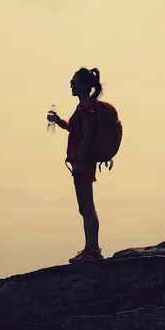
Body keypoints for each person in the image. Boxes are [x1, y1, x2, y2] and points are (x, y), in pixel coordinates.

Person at [47, 67, 104, 263]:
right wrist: (59, 121)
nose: (71, 85)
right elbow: (77, 130)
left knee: (87, 206)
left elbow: (87, 136)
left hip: (83, 162)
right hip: (81, 161)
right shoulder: (83, 107)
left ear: (84, 85)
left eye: (74, 82)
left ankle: (93, 250)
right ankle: (90, 248)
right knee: (84, 207)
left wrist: (80, 160)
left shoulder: (86, 107)